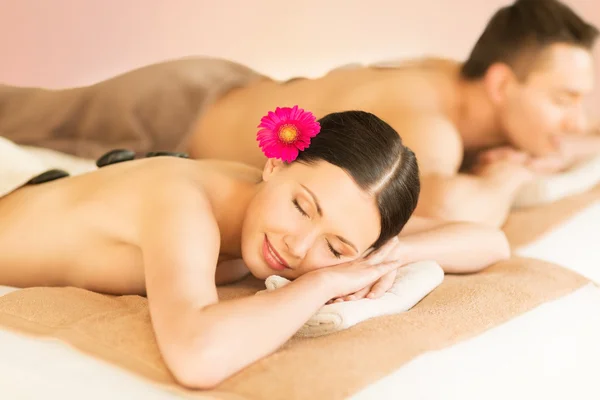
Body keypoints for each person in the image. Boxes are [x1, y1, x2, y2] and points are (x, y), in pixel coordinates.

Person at [0, 109, 510, 388]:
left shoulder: (340, 211)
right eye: (301, 207)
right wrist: (327, 279)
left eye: (336, 246)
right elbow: (198, 357)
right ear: (275, 165)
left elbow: (490, 241)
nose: (297, 244)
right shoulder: (184, 204)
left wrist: (386, 255)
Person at [188, 0, 600, 227]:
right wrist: (514, 174)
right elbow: (449, 211)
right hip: (181, 110)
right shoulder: (432, 125)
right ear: (501, 85)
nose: (577, 122)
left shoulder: (458, 77)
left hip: (230, 87)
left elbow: (588, 135)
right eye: (563, 101)